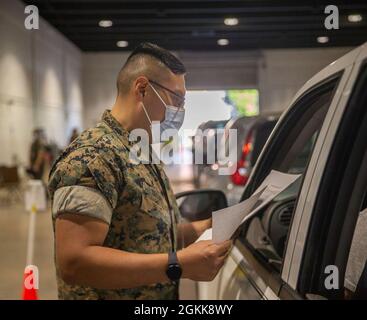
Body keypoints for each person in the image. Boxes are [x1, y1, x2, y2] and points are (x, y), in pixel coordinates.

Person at [48, 42, 232, 300]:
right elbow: (75, 261)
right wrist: (177, 265)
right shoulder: (92, 156)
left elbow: (146, 233)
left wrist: (205, 228)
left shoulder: (139, 149)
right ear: (142, 88)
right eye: (177, 99)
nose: (180, 110)